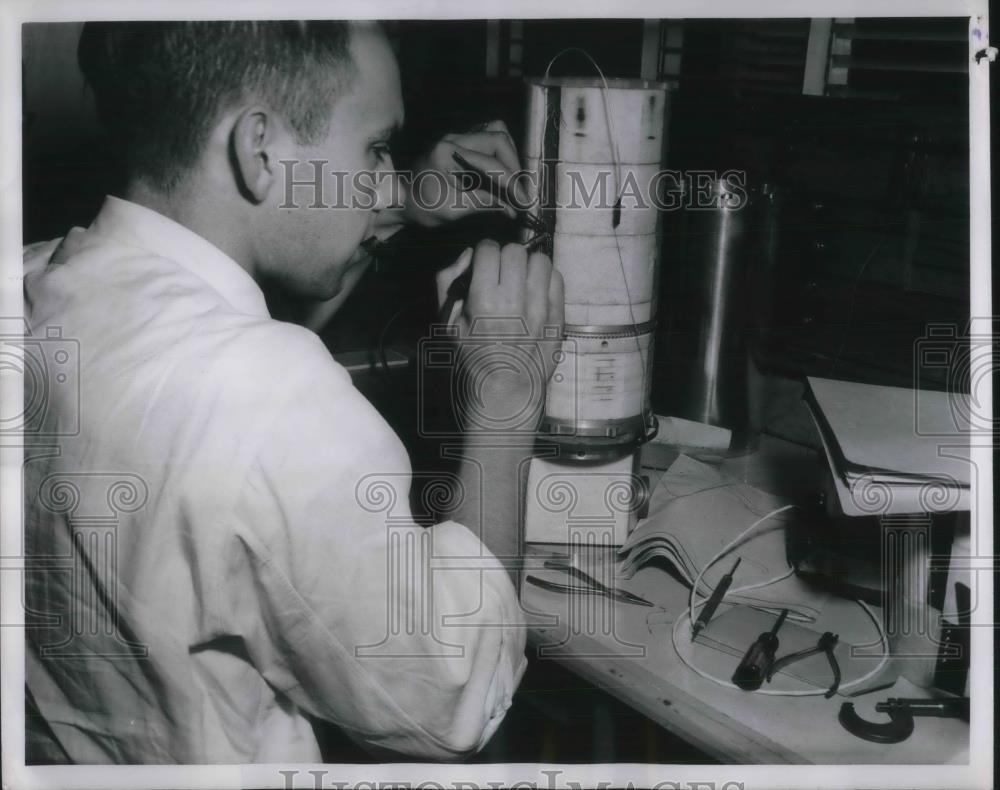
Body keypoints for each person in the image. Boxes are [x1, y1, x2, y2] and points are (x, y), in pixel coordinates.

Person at [23, 20, 563, 764]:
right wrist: (506, 394)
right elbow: (459, 692)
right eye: (375, 148)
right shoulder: (276, 399)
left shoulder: (30, 284)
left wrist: (402, 199)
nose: (382, 180)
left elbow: (219, 348)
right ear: (260, 150)